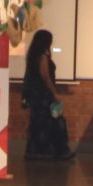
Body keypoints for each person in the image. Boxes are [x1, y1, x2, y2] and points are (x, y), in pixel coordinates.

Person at [21, 30, 71, 160]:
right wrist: (54, 93)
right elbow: (45, 76)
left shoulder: (33, 56)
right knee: (53, 121)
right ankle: (56, 151)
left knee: (38, 122)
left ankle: (37, 151)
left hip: (35, 95)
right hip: (43, 94)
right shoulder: (42, 56)